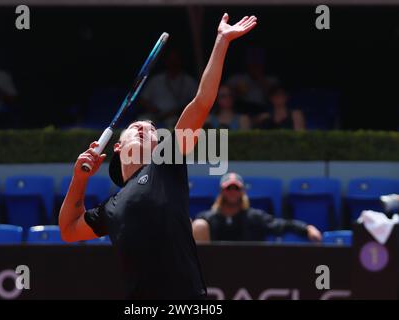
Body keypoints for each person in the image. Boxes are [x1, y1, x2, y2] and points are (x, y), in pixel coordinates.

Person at [59, 13, 258, 299]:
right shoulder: (110, 209)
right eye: (136, 126)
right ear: (118, 146)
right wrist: (79, 179)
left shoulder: (167, 165)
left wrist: (221, 41)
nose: (144, 127)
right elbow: (67, 230)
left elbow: (202, 101)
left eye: (152, 129)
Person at [192, 172, 322, 243]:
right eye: (228, 188)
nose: (232, 192)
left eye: (236, 188)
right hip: (214, 270)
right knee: (198, 225)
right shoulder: (207, 218)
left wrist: (307, 228)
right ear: (222, 192)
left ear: (242, 192)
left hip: (248, 269)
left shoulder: (254, 217)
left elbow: (281, 224)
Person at [139, 48, 198, 129]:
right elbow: (143, 100)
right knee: (142, 121)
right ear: (166, 61)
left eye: (175, 60)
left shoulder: (189, 81)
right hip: (155, 115)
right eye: (170, 60)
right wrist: (155, 110)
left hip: (177, 117)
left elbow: (196, 101)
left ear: (181, 61)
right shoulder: (156, 80)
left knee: (175, 124)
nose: (173, 63)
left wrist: (176, 112)